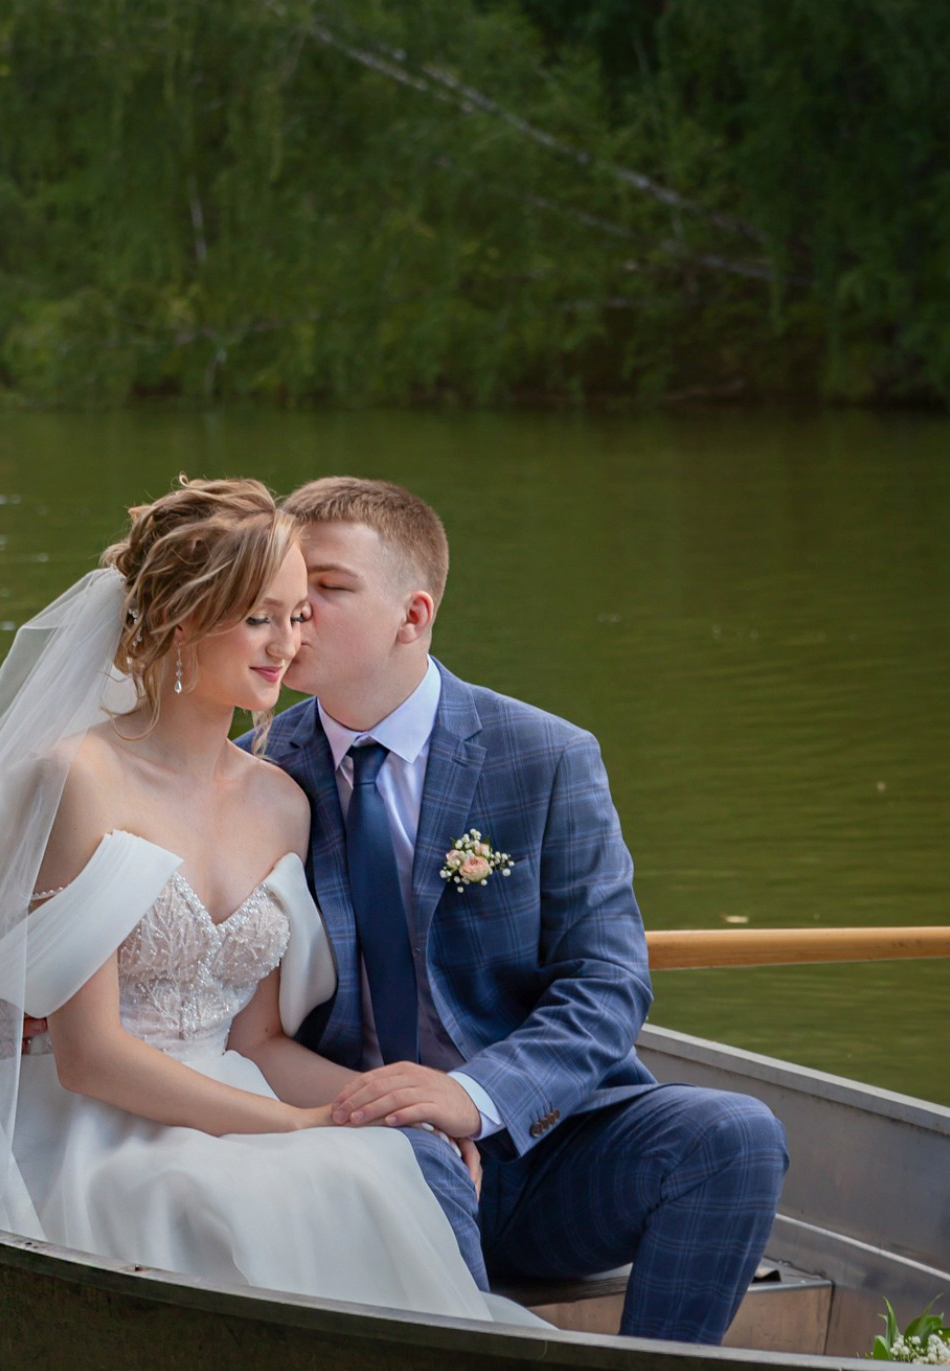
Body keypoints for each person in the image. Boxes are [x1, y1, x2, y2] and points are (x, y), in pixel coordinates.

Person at [0, 477, 539, 1326]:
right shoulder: (78, 777)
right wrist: (299, 1127)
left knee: (389, 1158)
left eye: (297, 615)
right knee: (211, 1198)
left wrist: (372, 1102)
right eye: (258, 617)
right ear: (179, 620)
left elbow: (258, 1037)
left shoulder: (285, 802)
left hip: (233, 1087)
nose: (287, 644)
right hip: (94, 1121)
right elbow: (87, 1055)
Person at [242, 476, 788, 1345]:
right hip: (347, 1147)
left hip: (542, 1148)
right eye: (285, 589)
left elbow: (607, 984)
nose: (295, 613)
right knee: (412, 1153)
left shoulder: (546, 757)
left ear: (411, 616)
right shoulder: (250, 773)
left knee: (734, 1132)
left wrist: (470, 1095)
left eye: (329, 588)